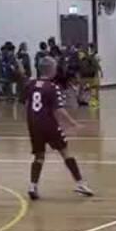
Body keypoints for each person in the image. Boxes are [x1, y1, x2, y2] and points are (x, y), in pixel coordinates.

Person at [25, 56, 93, 200]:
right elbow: (59, 110)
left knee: (39, 156)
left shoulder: (30, 85)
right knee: (65, 151)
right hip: (49, 124)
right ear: (52, 70)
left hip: (33, 124)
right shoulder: (52, 87)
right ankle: (80, 183)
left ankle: (32, 185)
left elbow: (27, 104)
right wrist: (73, 123)